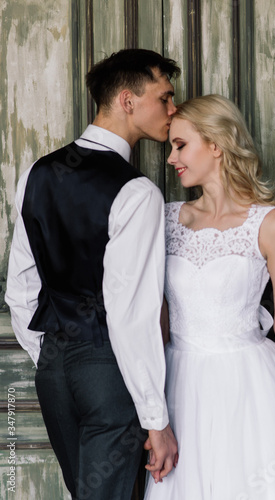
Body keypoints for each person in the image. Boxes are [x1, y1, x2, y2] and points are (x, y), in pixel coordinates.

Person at [5, 48, 181, 500]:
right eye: (165, 97)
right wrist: (156, 421)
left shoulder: (38, 173)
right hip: (109, 369)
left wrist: (50, 351)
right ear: (127, 100)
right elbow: (131, 314)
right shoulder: (137, 192)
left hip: (55, 371)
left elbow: (21, 288)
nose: (172, 109)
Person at [144, 94, 275, 499]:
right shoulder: (166, 218)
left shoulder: (271, 224)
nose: (170, 158)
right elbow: (153, 317)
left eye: (180, 145)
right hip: (180, 383)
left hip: (252, 383)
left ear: (216, 144)